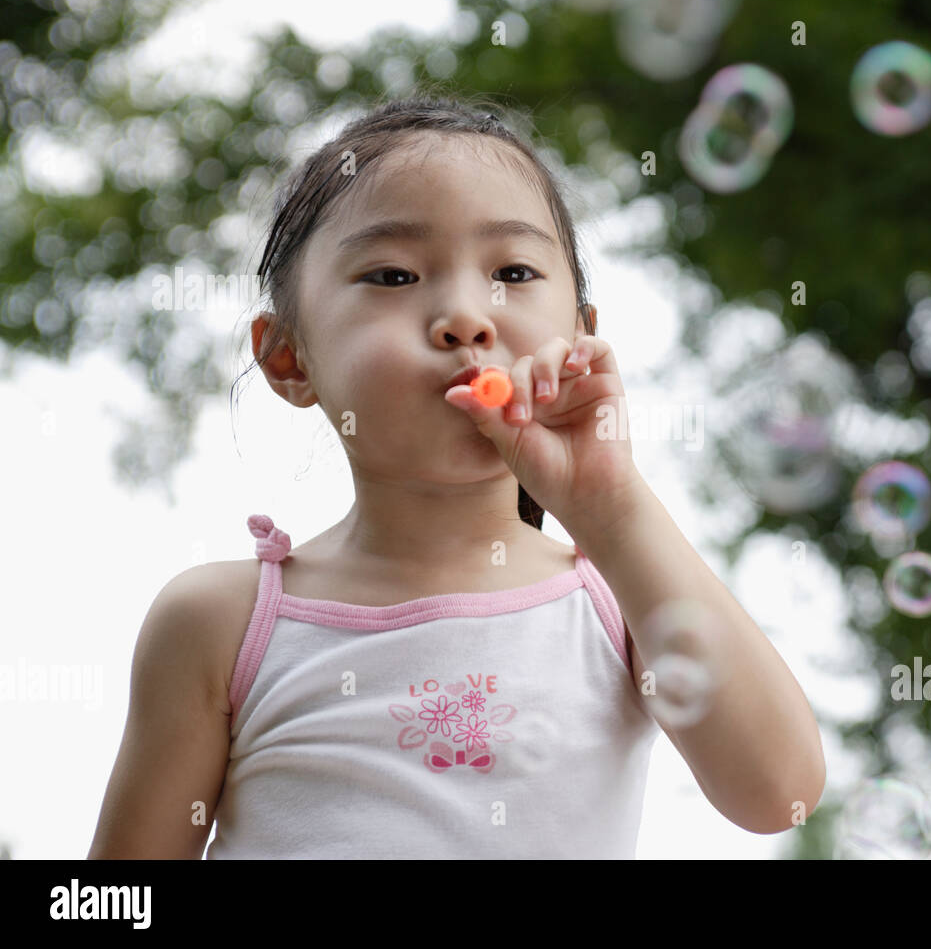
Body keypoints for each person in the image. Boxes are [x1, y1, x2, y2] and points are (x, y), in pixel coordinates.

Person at [87, 92, 825, 859]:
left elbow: (782, 793)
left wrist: (609, 506)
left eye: (512, 270)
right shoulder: (222, 622)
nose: (466, 317)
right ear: (288, 356)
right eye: (393, 275)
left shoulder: (621, 597)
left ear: (582, 335)